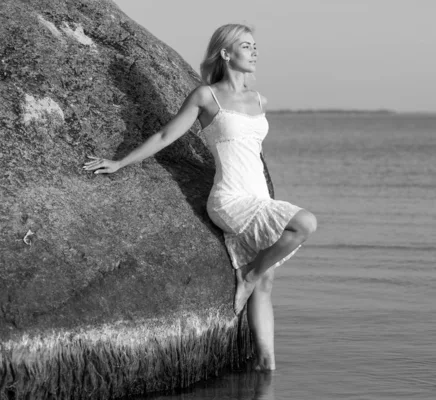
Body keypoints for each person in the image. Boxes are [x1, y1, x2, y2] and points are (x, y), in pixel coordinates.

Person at [83, 23, 317, 370]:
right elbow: (166, 134)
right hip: (231, 199)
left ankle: (266, 365)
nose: (254, 51)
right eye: (246, 46)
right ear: (226, 53)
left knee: (267, 282)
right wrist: (120, 163)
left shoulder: (258, 99)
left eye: (255, 46)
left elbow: (251, 152)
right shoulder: (206, 96)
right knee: (304, 223)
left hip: (260, 197)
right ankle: (247, 276)